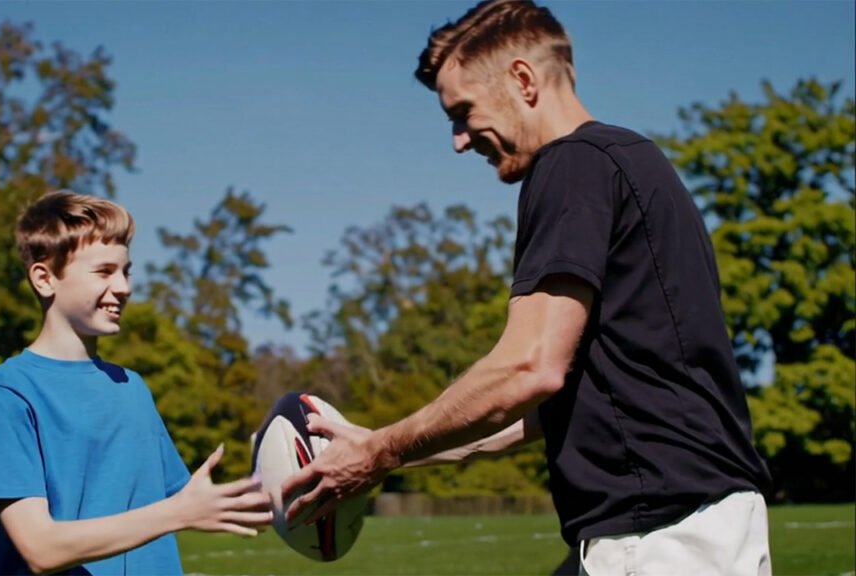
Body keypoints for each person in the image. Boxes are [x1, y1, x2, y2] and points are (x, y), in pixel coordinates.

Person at [282, 1, 773, 574]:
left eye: (462, 112)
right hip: (687, 526)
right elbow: (546, 407)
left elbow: (528, 369)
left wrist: (382, 449)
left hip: (662, 539)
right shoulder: (630, 160)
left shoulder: (573, 165)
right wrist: (382, 453)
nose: (459, 141)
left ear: (522, 79)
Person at [0, 191, 272, 575]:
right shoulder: (7, 395)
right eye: (104, 272)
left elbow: (184, 502)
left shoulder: (133, 388)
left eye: (126, 271)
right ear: (44, 279)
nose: (124, 287)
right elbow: (41, 549)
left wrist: (279, 481)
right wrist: (178, 512)